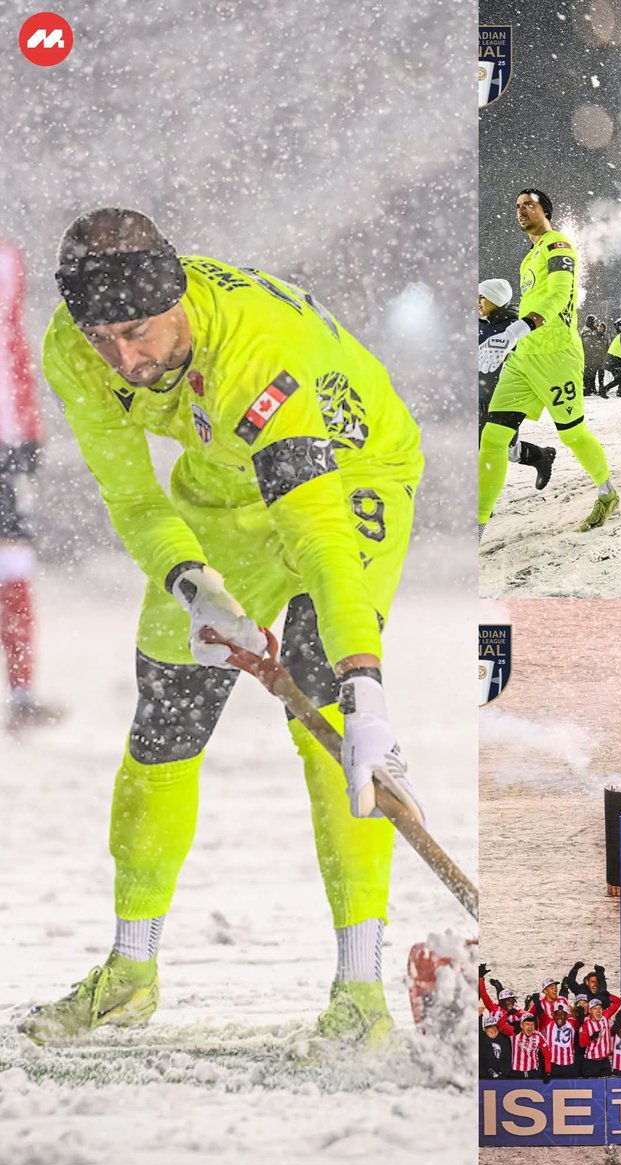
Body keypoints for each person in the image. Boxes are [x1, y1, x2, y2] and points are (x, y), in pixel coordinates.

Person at [20, 208, 425, 1048]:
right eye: (104, 339)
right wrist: (192, 582)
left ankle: (361, 995)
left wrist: (368, 691)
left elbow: (318, 537)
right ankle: (130, 973)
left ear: (178, 305)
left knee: (324, 707)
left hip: (349, 473)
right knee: (164, 714)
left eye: (136, 332)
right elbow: (132, 498)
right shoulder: (75, 347)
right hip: (225, 482)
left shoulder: (258, 350)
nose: (122, 360)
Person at [478, 189, 617, 535]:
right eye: (518, 205)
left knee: (573, 435)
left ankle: (607, 492)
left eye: (529, 204)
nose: (521, 210)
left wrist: (515, 330)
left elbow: (558, 295)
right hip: (524, 357)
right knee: (493, 438)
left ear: (545, 210)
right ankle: (477, 524)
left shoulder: (559, 244)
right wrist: (512, 338)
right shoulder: (529, 258)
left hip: (557, 356)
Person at [0, 237, 62, 733]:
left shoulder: (8, 256)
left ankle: (22, 693)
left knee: (12, 562)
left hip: (8, 439)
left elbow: (13, 342)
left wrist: (28, 424)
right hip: (11, 434)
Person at [478, 278, 555, 491]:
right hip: (478, 398)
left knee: (498, 448)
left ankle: (480, 501)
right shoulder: (478, 324)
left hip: (504, 399)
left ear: (496, 299)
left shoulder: (516, 328)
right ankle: (542, 457)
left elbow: (536, 362)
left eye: (482, 296)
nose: (477, 301)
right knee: (495, 448)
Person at [499, 1009, 552, 1080]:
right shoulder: (513, 1032)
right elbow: (499, 1024)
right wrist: (508, 1014)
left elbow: (547, 1053)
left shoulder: (538, 1035)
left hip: (533, 1072)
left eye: (532, 1024)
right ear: (521, 1025)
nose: (530, 1027)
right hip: (516, 1073)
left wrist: (547, 1071)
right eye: (527, 1024)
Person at [578, 992, 621, 1078]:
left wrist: (609, 995)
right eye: (595, 1009)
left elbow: (618, 1002)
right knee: (592, 1088)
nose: (598, 1011)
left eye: (600, 1008)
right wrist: (591, 1037)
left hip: (604, 1062)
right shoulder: (586, 1025)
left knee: (607, 1087)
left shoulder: (605, 1017)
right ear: (590, 1011)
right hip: (591, 1062)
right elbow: (582, 1043)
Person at [543, 998, 580, 1077]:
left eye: (562, 1014)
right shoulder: (549, 1023)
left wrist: (579, 1013)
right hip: (554, 1065)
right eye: (557, 1014)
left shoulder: (572, 1022)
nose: (559, 1017)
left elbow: (581, 1024)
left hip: (569, 1065)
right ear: (553, 1015)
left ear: (567, 1015)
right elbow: (540, 1013)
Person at [480, 1012, 513, 1079]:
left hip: (503, 1076)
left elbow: (507, 1059)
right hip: (484, 1077)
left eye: (495, 1030)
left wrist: (503, 1075)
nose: (493, 1032)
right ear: (485, 1030)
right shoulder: (482, 1040)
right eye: (490, 1030)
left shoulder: (505, 1039)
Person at [580, 314, 607, 396]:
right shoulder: (586, 331)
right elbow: (588, 345)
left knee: (591, 373)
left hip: (592, 356)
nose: (595, 324)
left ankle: (591, 388)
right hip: (588, 356)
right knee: (588, 373)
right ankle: (587, 389)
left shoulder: (591, 330)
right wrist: (595, 349)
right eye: (594, 322)